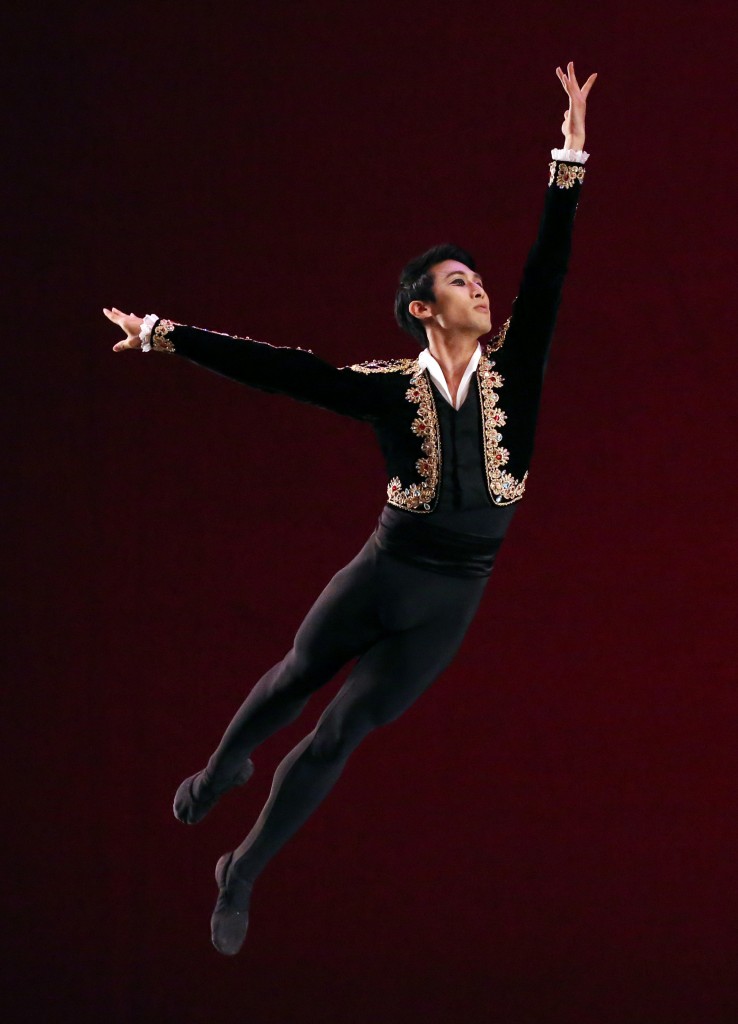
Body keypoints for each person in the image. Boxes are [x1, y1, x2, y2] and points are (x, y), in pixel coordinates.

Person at [105, 61, 597, 955]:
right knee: (295, 677)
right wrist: (166, 336)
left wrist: (570, 156)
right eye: (458, 281)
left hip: (452, 596)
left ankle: (240, 870)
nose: (479, 288)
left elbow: (549, 270)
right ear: (423, 308)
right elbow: (286, 370)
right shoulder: (381, 388)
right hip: (386, 571)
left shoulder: (514, 372)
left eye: (478, 280)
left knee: (339, 734)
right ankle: (222, 768)